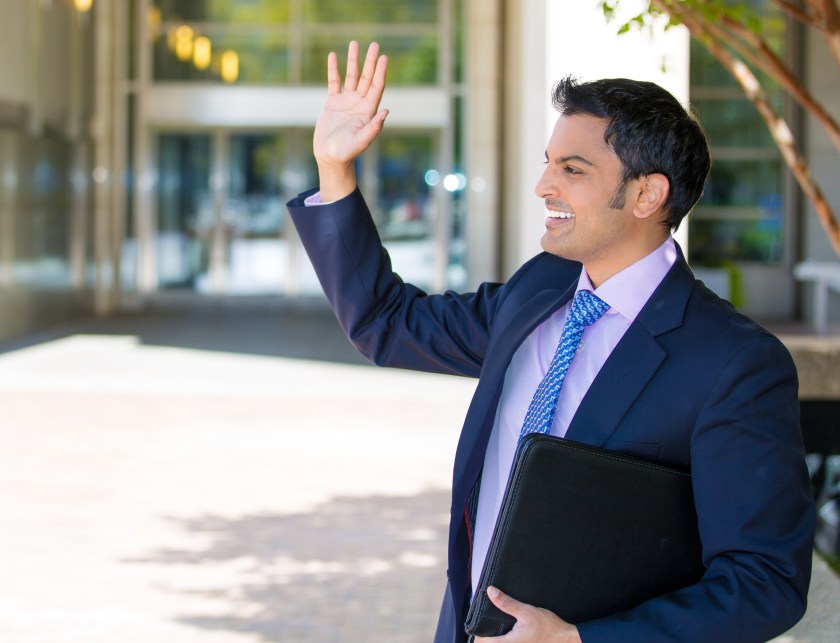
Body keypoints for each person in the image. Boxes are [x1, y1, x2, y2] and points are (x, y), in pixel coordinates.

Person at [286, 41, 815, 643]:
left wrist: (578, 641)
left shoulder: (735, 363)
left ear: (647, 195)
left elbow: (764, 580)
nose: (542, 185)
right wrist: (336, 171)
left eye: (572, 169)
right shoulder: (539, 289)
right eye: (548, 162)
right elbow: (387, 321)